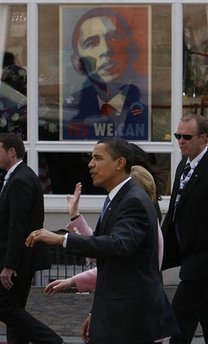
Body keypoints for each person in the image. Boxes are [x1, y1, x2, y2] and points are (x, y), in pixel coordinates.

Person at [26, 137, 179, 344]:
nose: (91, 164)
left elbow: (118, 246)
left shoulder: (134, 200)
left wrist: (62, 239)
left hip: (131, 322)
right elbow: (109, 263)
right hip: (117, 317)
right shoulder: (116, 198)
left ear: (120, 163)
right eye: (91, 158)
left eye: (98, 158)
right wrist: (96, 314)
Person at [0, 133, 63, 344]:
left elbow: (18, 226)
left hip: (19, 260)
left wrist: (9, 265)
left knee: (6, 308)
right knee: (14, 309)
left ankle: (52, 340)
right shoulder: (20, 176)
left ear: (11, 152)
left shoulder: (20, 180)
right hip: (22, 258)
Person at [62, 7, 148, 140]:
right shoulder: (72, 106)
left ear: (132, 49)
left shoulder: (148, 98)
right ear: (77, 62)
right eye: (91, 43)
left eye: (114, 37)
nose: (106, 49)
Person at [162, 114, 208, 344]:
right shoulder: (184, 164)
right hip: (188, 254)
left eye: (187, 137)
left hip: (202, 260)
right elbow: (174, 210)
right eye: (178, 135)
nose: (181, 141)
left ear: (203, 138)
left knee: (180, 313)